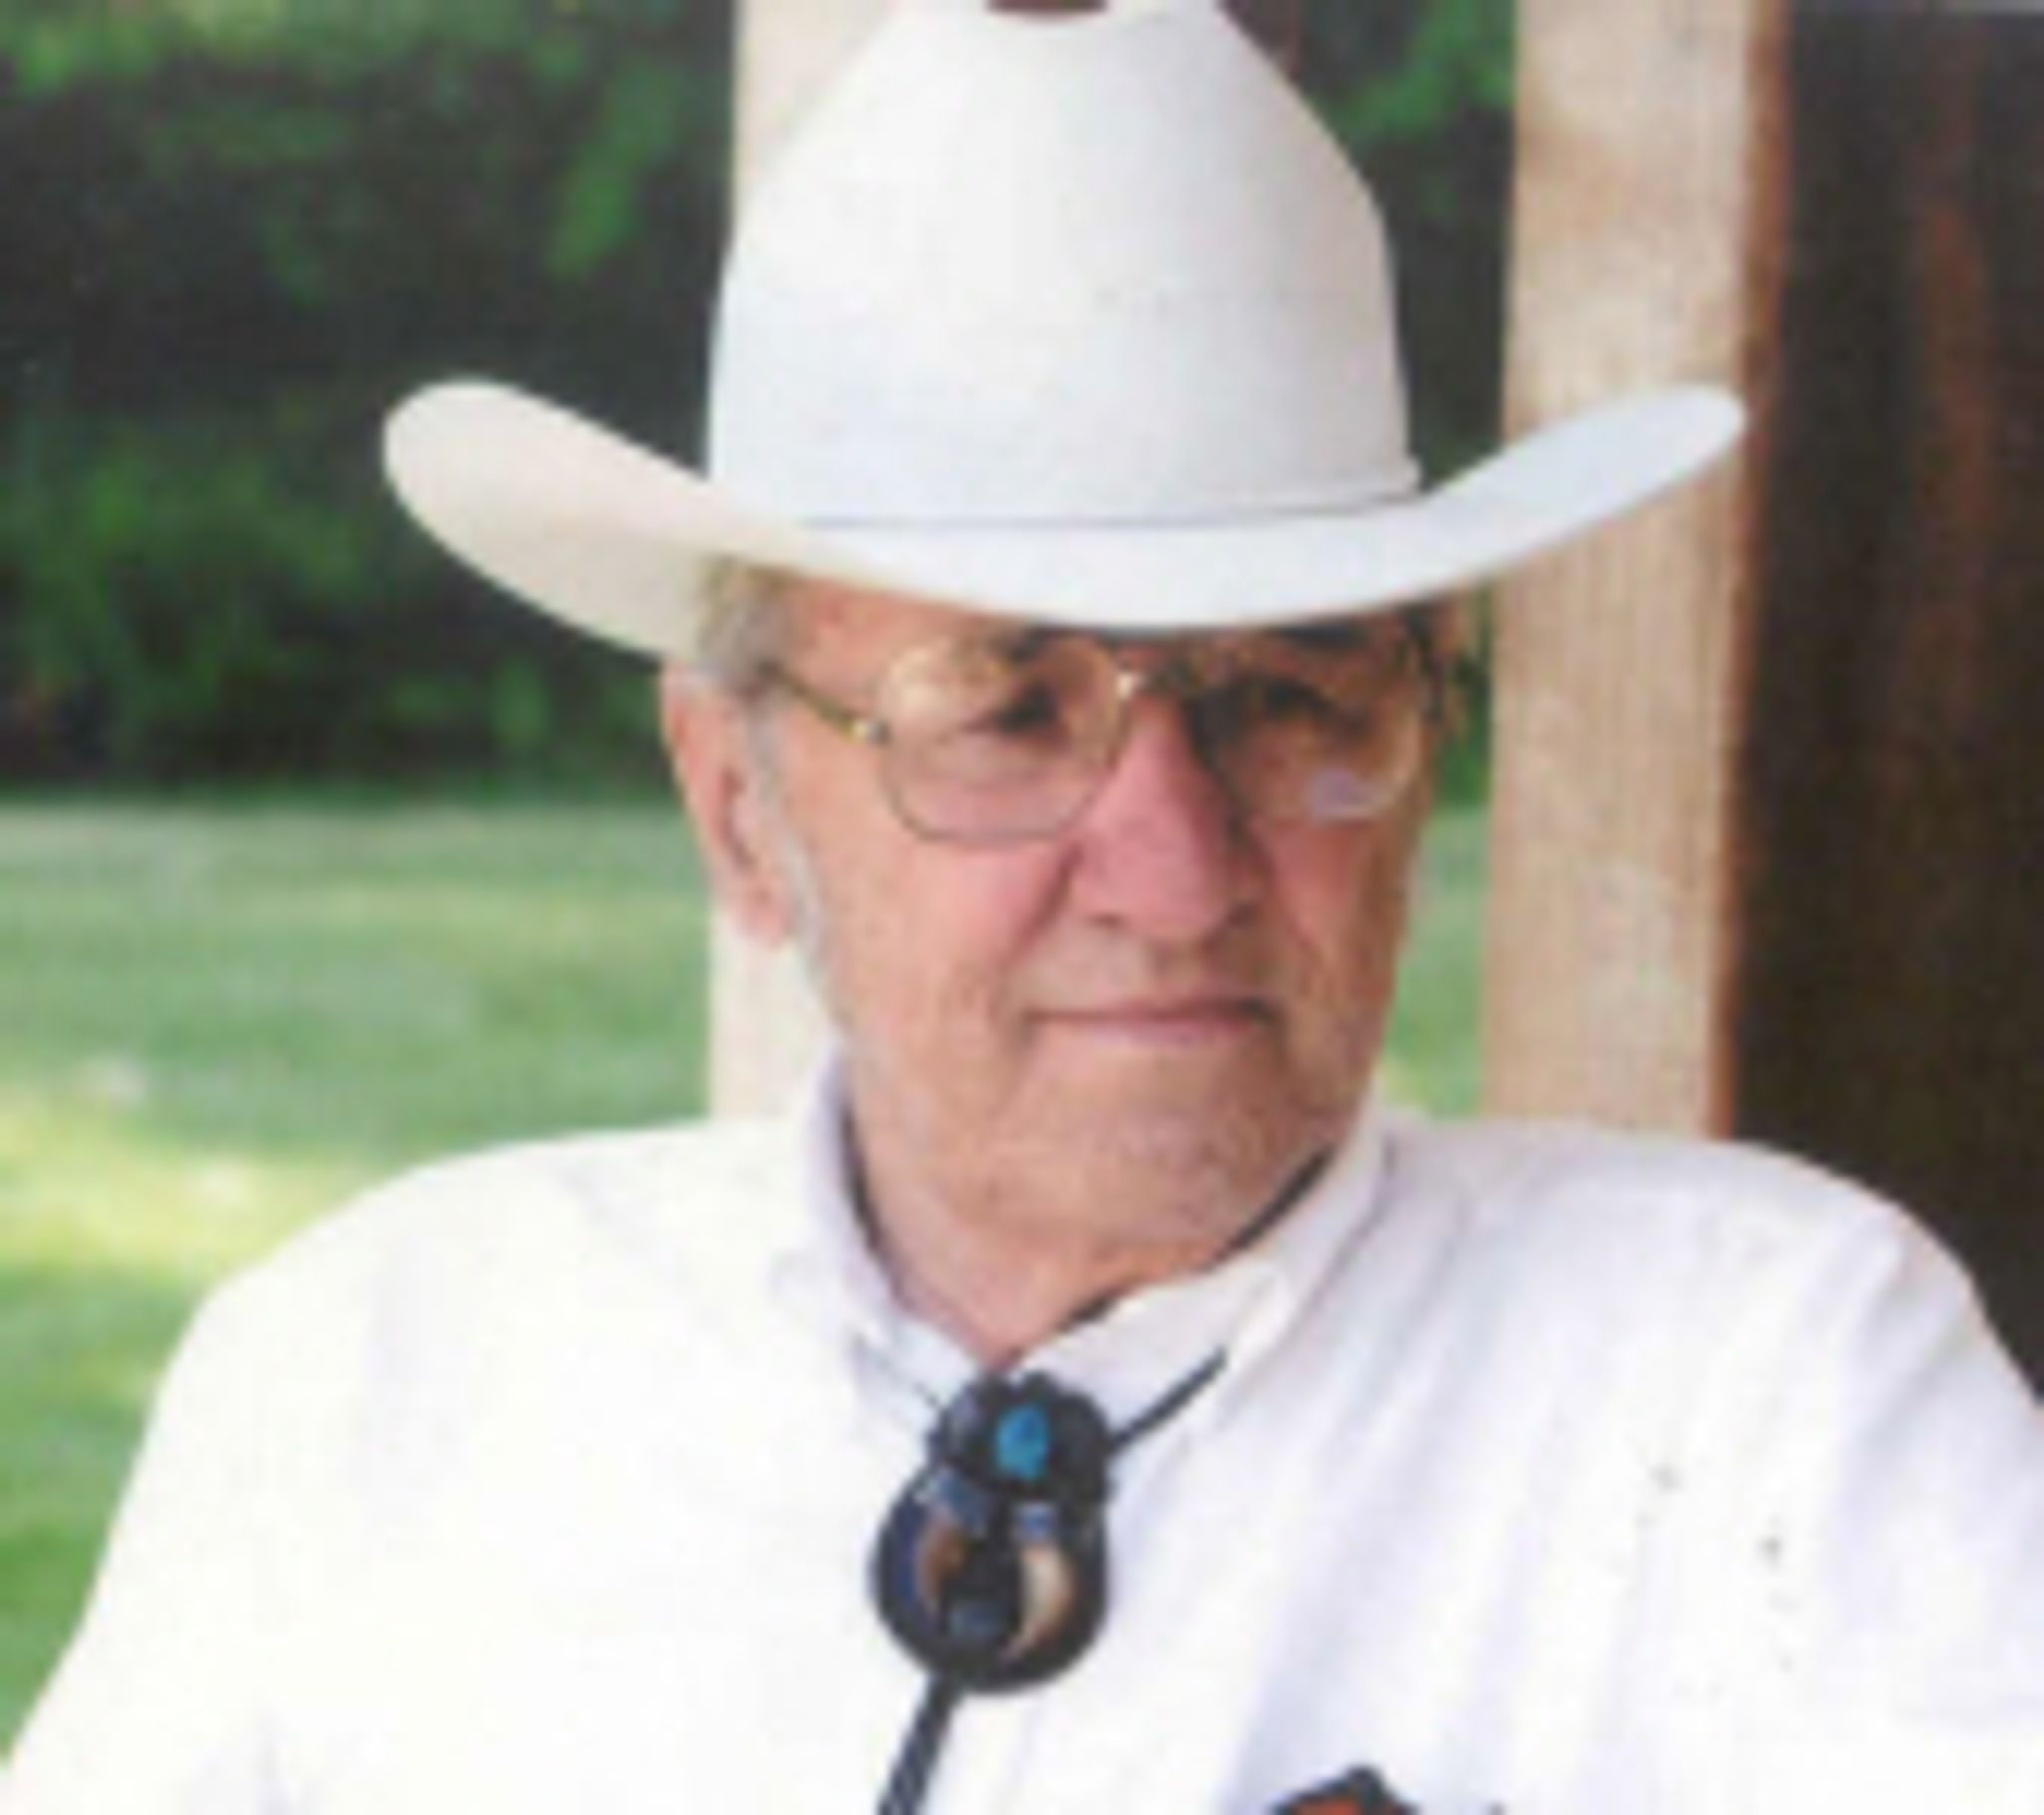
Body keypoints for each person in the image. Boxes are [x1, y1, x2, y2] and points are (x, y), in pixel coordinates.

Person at [10, 2, 2044, 1810]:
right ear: (737, 808)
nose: (1174, 868)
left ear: (1423, 754)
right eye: (1002, 708)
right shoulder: (381, 1373)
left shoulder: (1766, 1390)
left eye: (1290, 697)